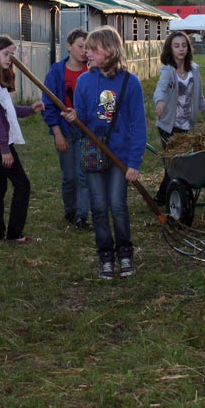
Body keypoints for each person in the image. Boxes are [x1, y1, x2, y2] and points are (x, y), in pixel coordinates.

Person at [62, 26, 146, 279]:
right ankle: (105, 255)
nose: (87, 52)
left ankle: (125, 252)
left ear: (109, 50)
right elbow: (83, 121)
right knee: (98, 206)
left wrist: (134, 162)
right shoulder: (85, 81)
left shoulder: (130, 83)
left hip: (120, 156)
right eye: (86, 48)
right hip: (94, 153)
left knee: (117, 205)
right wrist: (74, 118)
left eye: (93, 48)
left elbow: (138, 124)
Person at [0, 35, 45, 243]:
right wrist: (4, 149)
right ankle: (14, 233)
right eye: (6, 54)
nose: (10, 58)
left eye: (12, 54)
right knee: (22, 185)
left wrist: (30, 110)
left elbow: (7, 110)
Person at [152, 31, 205, 206]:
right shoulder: (168, 70)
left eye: (184, 45)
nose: (181, 49)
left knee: (180, 163)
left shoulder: (194, 70)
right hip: (168, 125)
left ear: (188, 48)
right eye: (176, 46)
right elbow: (161, 89)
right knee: (175, 164)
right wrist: (159, 102)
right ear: (170, 49)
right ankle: (164, 197)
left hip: (186, 125)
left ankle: (166, 196)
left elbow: (200, 97)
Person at [41, 28, 90, 229]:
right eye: (80, 46)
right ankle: (70, 211)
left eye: (88, 48)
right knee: (69, 176)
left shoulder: (92, 71)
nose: (84, 51)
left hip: (86, 131)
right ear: (69, 47)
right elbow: (49, 105)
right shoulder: (56, 72)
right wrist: (57, 133)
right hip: (66, 130)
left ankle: (82, 215)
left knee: (83, 175)